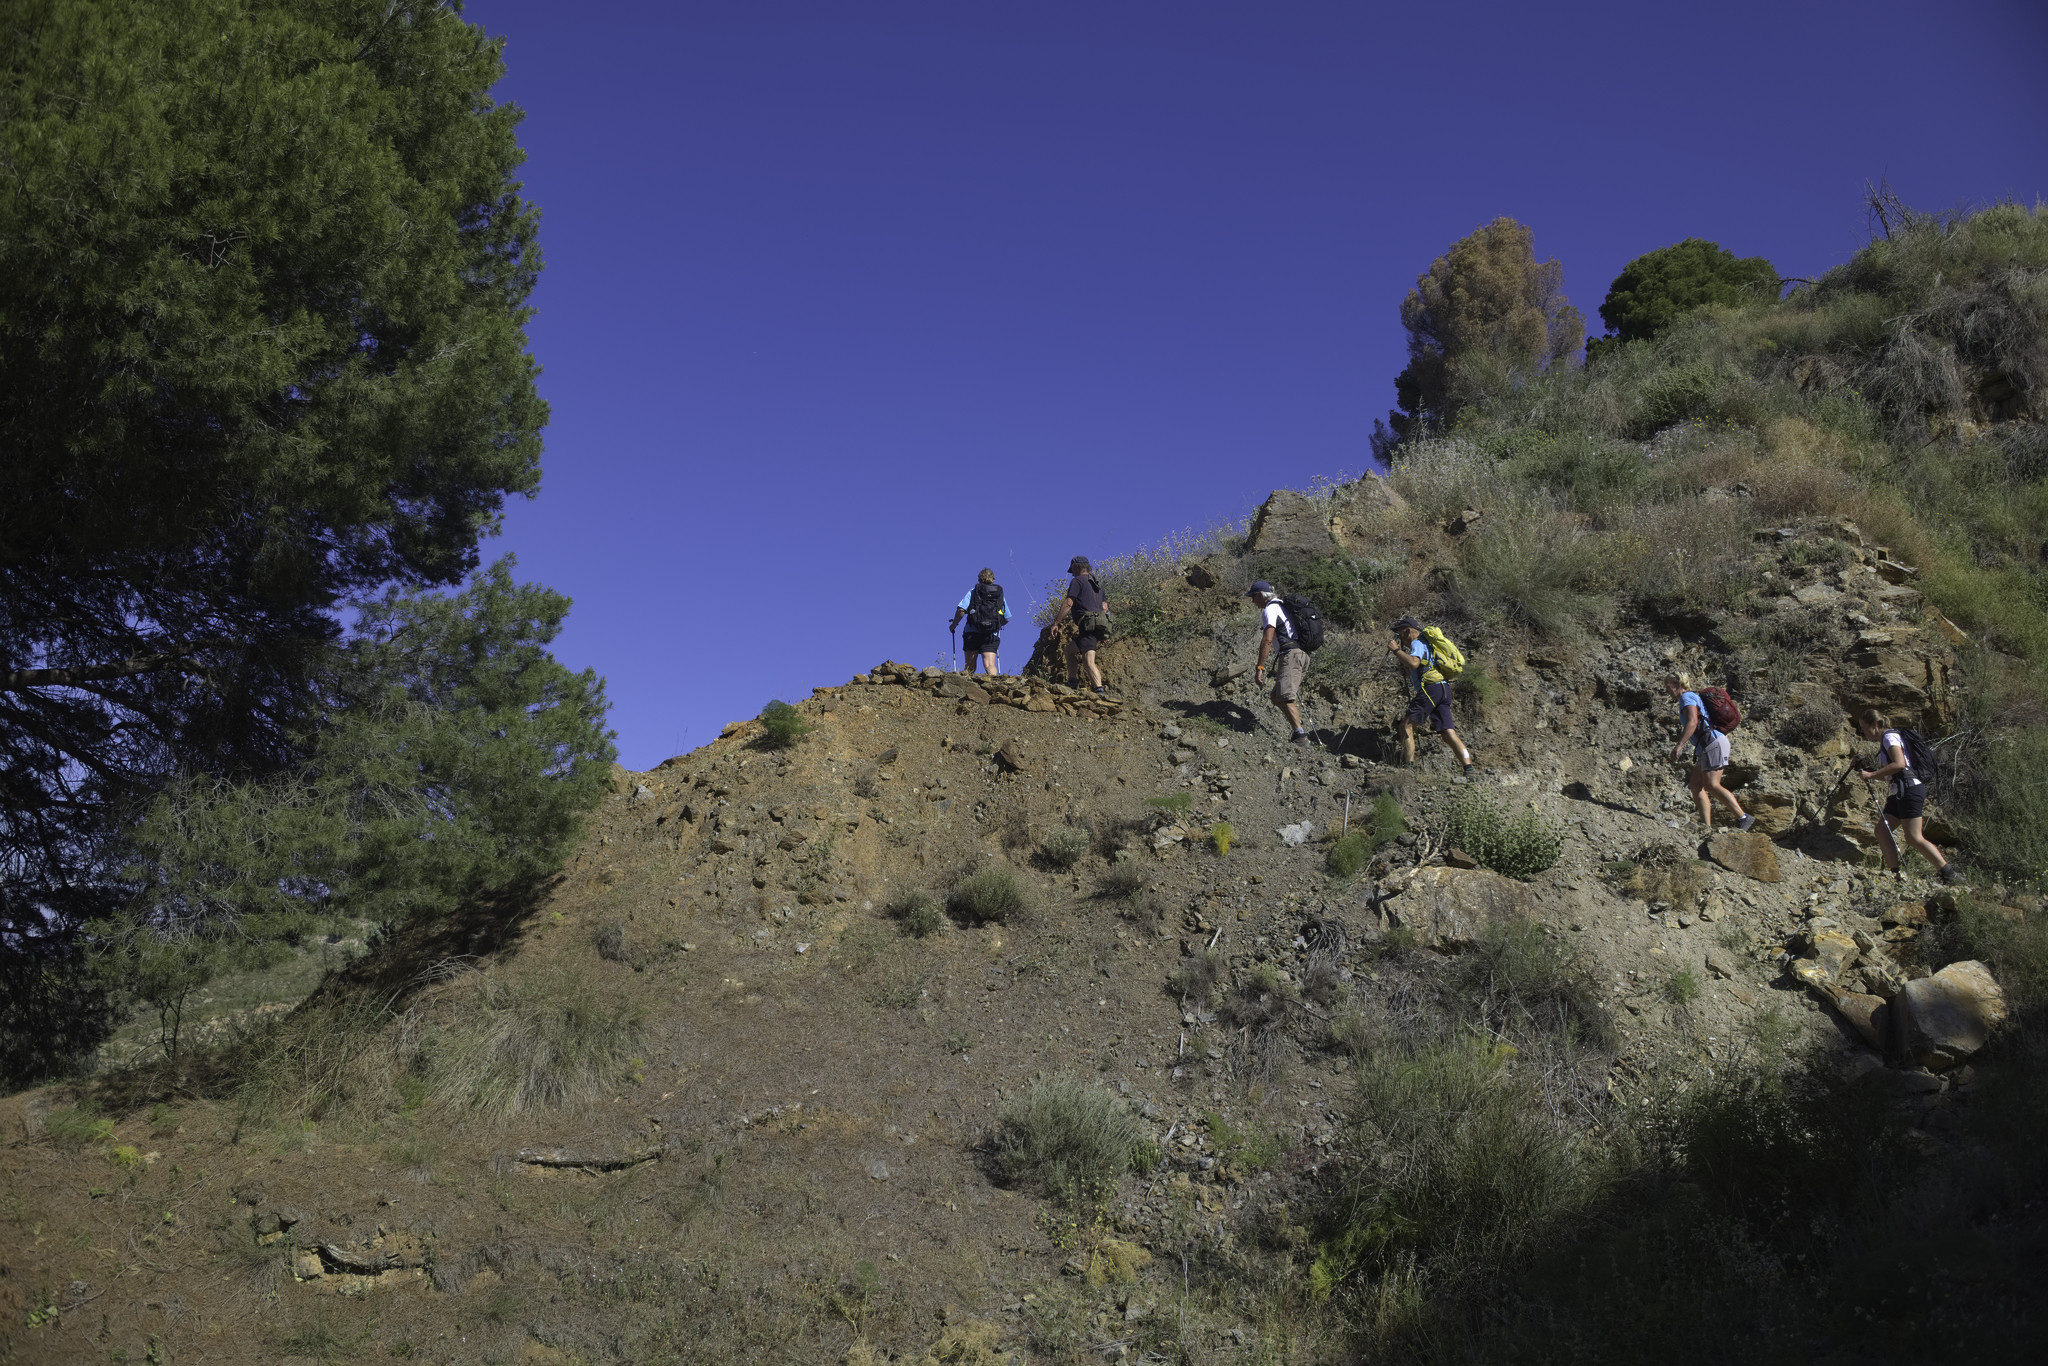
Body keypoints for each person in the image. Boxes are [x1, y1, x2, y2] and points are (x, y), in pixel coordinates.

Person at [1856, 709, 1962, 883]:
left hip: (1909, 790)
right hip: (1899, 792)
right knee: (1882, 830)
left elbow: (1899, 764)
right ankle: (1895, 875)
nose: (1863, 732)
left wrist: (1872, 775)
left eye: (1864, 727)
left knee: (1913, 837)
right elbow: (1890, 773)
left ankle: (1950, 874)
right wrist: (1866, 772)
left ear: (1875, 725)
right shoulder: (1885, 740)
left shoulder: (1889, 738)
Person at [1664, 675, 1752, 830]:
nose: (1666, 690)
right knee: (1696, 785)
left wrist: (1679, 745)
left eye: (1667, 686)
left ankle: (1743, 817)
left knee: (1712, 784)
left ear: (1677, 684)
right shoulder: (1690, 697)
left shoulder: (1687, 697)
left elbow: (1693, 721)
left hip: (1713, 744)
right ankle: (1706, 827)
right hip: (1709, 746)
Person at [1388, 617, 1473, 774]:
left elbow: (1414, 663)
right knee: (1448, 733)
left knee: (1406, 726)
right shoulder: (1427, 644)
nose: (1399, 638)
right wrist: (1407, 670)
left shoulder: (1417, 643)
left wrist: (1396, 650)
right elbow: (1419, 666)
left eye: (1399, 634)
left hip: (1431, 689)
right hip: (1443, 689)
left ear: (1407, 631)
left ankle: (1409, 768)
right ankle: (1469, 769)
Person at [1246, 581, 1310, 747]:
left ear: (1261, 595)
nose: (1252, 601)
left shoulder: (1270, 609)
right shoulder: (1282, 606)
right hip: (1300, 654)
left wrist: (1259, 668)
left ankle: (1301, 736)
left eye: (1253, 597)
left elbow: (1267, 640)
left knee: (1284, 696)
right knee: (1276, 696)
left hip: (1291, 655)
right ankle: (1298, 732)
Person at [1043, 556, 1111, 696]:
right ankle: (1072, 681)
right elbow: (1105, 608)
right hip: (1097, 625)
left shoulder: (1077, 581)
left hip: (1087, 625)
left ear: (1077, 568)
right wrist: (1105, 632)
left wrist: (1056, 623)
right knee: (1069, 651)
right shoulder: (1097, 584)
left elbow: (1069, 603)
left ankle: (1099, 690)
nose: (1072, 573)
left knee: (1088, 660)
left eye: (1072, 570)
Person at [949, 568, 1010, 675]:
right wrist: (995, 625)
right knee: (990, 665)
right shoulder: (998, 594)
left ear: (980, 578)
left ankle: (966, 689)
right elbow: (1007, 617)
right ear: (993, 579)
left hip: (972, 632)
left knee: (970, 666)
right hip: (991, 634)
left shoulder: (973, 592)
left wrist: (954, 625)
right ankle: (994, 687)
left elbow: (961, 610)